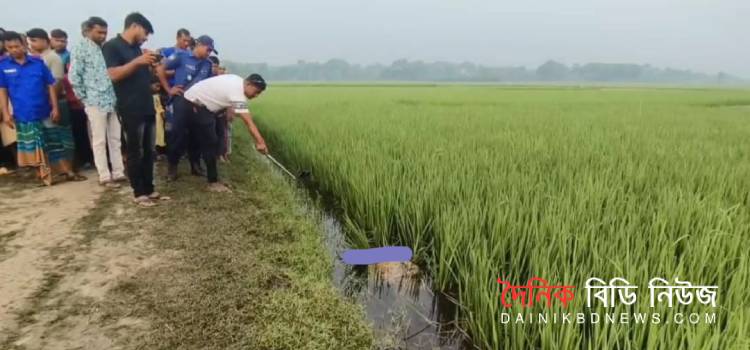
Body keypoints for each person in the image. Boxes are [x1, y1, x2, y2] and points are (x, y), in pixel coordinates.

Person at [102, 12, 163, 206]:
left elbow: (139, 76)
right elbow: (113, 74)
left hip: (147, 104)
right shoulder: (112, 46)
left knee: (149, 150)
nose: (146, 38)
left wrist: (150, 66)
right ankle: (139, 193)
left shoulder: (137, 49)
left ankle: (149, 188)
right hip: (130, 107)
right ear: (135, 26)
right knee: (135, 151)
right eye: (145, 33)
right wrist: (138, 62)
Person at [179, 73, 268, 192]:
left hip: (197, 102)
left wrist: (229, 107)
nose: (256, 95)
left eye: (259, 94)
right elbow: (248, 122)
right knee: (210, 141)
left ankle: (196, 169)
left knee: (197, 138)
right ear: (248, 84)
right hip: (195, 103)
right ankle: (212, 182)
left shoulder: (237, 80)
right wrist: (260, 142)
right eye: (256, 91)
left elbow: (221, 91)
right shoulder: (237, 93)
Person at [70, 16, 127, 188]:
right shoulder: (80, 48)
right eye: (99, 32)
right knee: (99, 140)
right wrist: (83, 98)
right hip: (94, 100)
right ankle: (104, 175)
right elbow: (74, 76)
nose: (103, 35)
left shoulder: (106, 48)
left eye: (105, 32)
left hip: (111, 100)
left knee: (115, 138)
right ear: (88, 31)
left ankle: (118, 172)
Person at [0, 31, 62, 185]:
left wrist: (55, 107)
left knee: (50, 143)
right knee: (33, 146)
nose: (14, 50)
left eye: (17, 46)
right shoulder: (4, 66)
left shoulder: (38, 63)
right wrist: (6, 113)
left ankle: (55, 172)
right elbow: (3, 91)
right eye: (10, 47)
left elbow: (50, 85)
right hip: (23, 114)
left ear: (24, 45)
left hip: (44, 111)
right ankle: (42, 175)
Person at [25, 28, 85, 182]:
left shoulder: (52, 58)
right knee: (50, 138)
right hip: (43, 104)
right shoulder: (34, 58)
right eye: (30, 40)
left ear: (45, 41)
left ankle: (70, 168)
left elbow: (57, 84)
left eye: (34, 40)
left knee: (63, 136)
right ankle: (59, 170)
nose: (31, 44)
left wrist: (52, 103)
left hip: (57, 102)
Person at [156, 35, 216, 181]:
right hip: (181, 99)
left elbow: (207, 85)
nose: (209, 53)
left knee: (196, 135)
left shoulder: (207, 65)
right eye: (208, 49)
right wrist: (168, 89)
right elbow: (160, 69)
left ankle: (195, 166)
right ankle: (172, 167)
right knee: (177, 134)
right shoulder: (181, 56)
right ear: (199, 45)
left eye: (211, 51)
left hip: (197, 103)